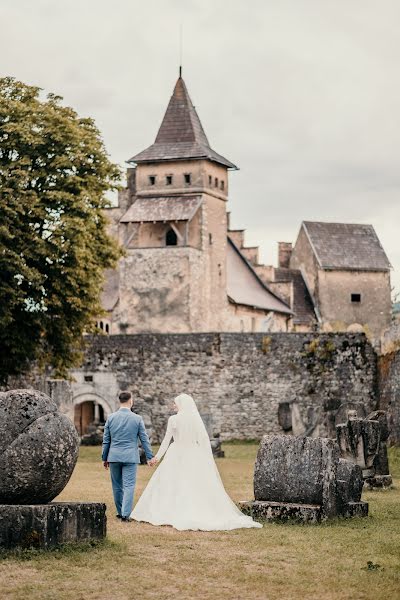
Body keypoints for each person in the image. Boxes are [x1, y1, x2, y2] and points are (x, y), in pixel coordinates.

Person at [131, 393, 262, 531]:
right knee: (192, 483)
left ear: (181, 405)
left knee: (174, 482)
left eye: (175, 403)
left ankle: (174, 511)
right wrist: (205, 457)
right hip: (194, 453)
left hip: (176, 452)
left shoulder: (174, 419)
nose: (173, 405)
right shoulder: (195, 419)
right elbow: (203, 440)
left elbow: (166, 440)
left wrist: (157, 458)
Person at [102, 391, 154, 522]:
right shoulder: (137, 419)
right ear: (131, 401)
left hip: (113, 456)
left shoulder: (111, 418)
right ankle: (125, 514)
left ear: (119, 401)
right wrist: (149, 456)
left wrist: (104, 457)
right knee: (129, 485)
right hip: (130, 456)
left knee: (116, 486)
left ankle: (120, 512)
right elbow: (144, 439)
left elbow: (106, 440)